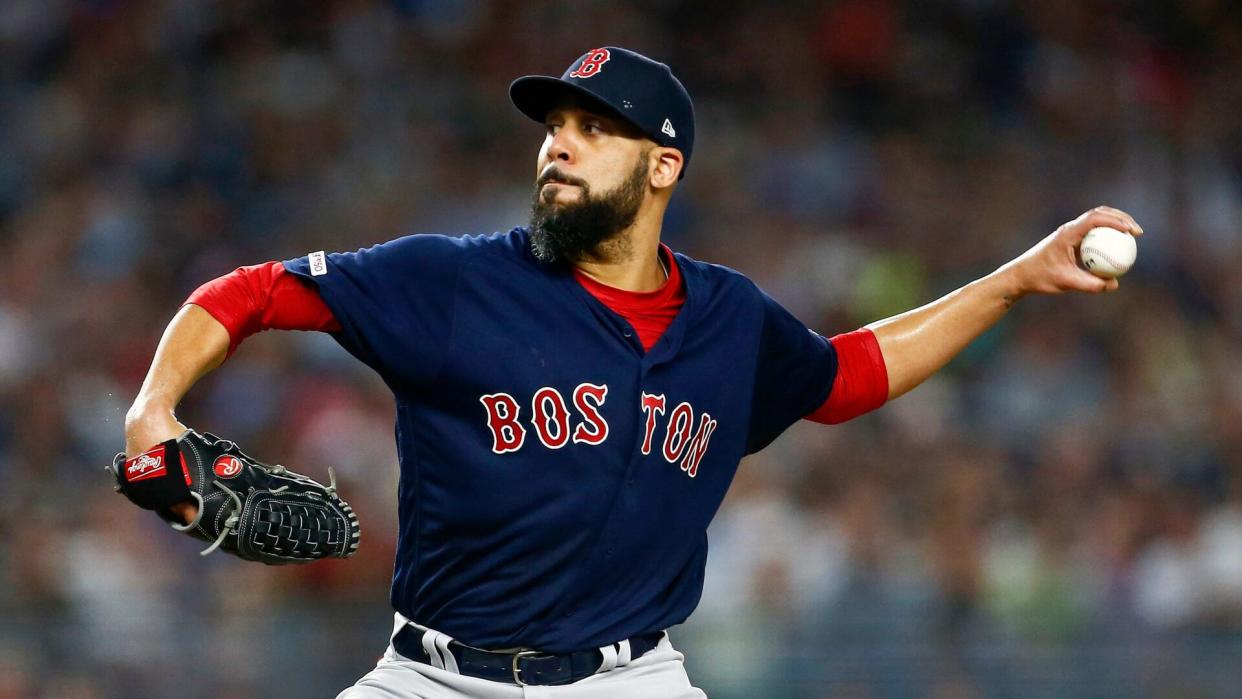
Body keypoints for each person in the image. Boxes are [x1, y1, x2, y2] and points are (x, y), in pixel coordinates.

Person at [121, 46, 1142, 698]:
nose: (557, 147)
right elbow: (248, 293)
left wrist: (1013, 281)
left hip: (629, 681)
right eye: (553, 128)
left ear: (664, 165)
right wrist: (154, 410)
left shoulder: (729, 319)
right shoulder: (450, 280)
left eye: (592, 128)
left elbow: (845, 379)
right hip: (429, 680)